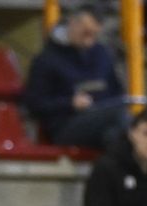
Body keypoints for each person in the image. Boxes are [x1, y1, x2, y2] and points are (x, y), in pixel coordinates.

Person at [23, 4, 131, 149]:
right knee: (121, 117)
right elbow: (34, 104)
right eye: (86, 33)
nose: (90, 40)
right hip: (65, 125)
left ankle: (128, 170)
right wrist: (69, 103)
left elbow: (117, 92)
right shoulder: (46, 60)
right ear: (73, 24)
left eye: (94, 35)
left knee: (114, 136)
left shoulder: (102, 54)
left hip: (102, 120)